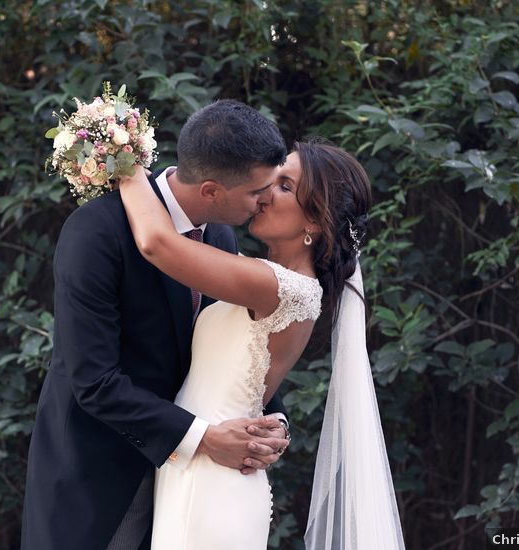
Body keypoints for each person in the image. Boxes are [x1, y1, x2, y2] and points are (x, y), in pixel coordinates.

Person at [21, 100, 294, 550]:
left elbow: (233, 340)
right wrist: (204, 439)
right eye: (256, 192)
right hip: (98, 474)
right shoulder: (97, 233)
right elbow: (94, 381)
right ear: (211, 190)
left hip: (190, 486)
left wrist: (272, 420)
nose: (266, 201)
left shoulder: (222, 235)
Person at [118, 140, 405, 548]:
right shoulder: (270, 278)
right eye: (274, 176)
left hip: (212, 481)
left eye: (285, 186)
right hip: (202, 464)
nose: (266, 191)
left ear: (315, 224)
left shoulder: (280, 287)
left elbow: (156, 243)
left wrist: (119, 157)